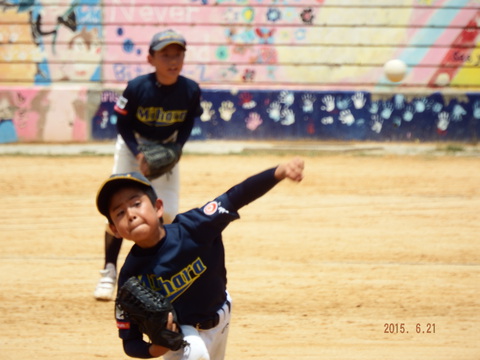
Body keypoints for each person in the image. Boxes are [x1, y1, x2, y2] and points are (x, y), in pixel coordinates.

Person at [95, 157, 305, 359]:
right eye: (119, 213)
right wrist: (156, 349)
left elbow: (236, 196)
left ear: (159, 207)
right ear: (115, 230)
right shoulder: (131, 276)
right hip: (181, 339)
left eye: (136, 203)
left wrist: (278, 173)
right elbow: (129, 342)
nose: (130, 214)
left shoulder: (194, 227)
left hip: (221, 316)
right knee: (195, 353)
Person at [94, 29, 203, 301]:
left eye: (177, 54)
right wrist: (137, 153)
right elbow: (122, 123)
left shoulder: (190, 89)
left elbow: (189, 120)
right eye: (165, 54)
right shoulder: (137, 87)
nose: (172, 60)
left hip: (166, 148)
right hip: (133, 146)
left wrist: (177, 148)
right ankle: (109, 270)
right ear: (151, 59)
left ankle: (160, 273)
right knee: (120, 211)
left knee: (168, 213)